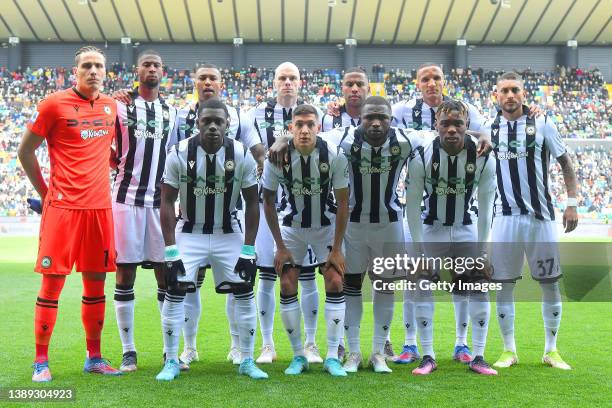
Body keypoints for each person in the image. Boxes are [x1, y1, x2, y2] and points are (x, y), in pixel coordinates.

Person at [18, 45, 122, 382]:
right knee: (53, 285)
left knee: (96, 285)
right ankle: (40, 361)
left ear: (105, 73)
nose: (93, 71)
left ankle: (94, 357)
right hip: (62, 209)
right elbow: (25, 152)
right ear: (74, 71)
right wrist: (46, 194)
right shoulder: (52, 104)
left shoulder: (110, 107)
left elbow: (108, 150)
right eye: (87, 66)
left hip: (99, 210)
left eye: (99, 66)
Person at [157, 97, 266, 380]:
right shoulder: (179, 152)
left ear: (228, 124)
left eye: (219, 122)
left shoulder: (241, 153)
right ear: (197, 122)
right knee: (175, 288)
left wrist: (248, 248)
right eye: (208, 121)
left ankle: (246, 359)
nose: (214, 127)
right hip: (189, 231)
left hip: (227, 231)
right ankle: (171, 360)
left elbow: (253, 202)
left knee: (244, 288)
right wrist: (170, 250)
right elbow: (166, 201)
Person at [484, 72, 578, 370]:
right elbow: (451, 122)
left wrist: (572, 203)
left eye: (515, 90)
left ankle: (551, 350)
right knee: (503, 285)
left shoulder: (544, 123)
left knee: (549, 284)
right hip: (505, 219)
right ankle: (508, 350)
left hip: (541, 218)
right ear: (496, 96)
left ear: (524, 94)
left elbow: (565, 164)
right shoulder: (488, 127)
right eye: (504, 91)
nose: (510, 95)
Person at [405, 99, 498, 375]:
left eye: (458, 123)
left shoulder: (482, 156)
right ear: (436, 125)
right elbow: (411, 206)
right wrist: (420, 252)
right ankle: (428, 355)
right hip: (430, 228)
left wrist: (483, 252)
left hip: (466, 227)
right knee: (421, 284)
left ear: (467, 125)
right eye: (445, 123)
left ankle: (478, 355)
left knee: (478, 284)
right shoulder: (422, 155)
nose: (452, 129)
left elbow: (486, 206)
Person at [244, 62, 325, 364]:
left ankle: (311, 344)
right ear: (274, 82)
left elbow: (321, 145)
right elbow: (259, 153)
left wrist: (283, 140)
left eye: (292, 78)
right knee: (266, 274)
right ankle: (267, 344)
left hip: (305, 206)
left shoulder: (317, 114)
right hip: (268, 206)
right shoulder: (255, 114)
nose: (287, 82)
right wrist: (279, 143)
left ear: (300, 82)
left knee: (305, 276)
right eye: (282, 78)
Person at [262, 104, 350, 376]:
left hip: (325, 225)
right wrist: (279, 246)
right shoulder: (277, 157)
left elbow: (344, 201)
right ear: (290, 129)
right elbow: (267, 199)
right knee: (288, 282)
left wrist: (336, 249)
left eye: (310, 124)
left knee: (335, 279)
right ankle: (298, 355)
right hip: (292, 226)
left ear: (318, 127)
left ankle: (333, 355)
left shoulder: (333, 154)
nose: (304, 130)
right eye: (298, 124)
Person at [111, 49, 178, 373]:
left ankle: (170, 352)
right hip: (125, 201)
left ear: (163, 72)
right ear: (137, 70)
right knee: (125, 274)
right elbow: (106, 150)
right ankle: (129, 351)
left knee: (166, 276)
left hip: (159, 204)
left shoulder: (171, 112)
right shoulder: (120, 106)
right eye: (146, 64)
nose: (152, 68)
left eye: (157, 64)